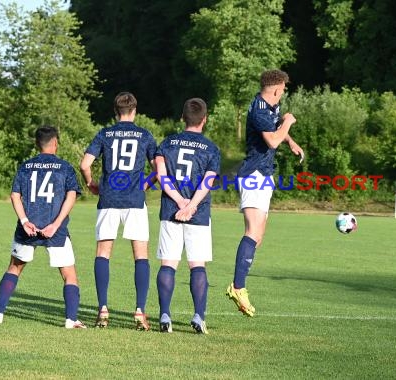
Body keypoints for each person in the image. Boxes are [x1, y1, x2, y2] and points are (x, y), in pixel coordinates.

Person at [0, 126, 86, 329]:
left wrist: (24, 221)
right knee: (69, 275)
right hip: (55, 230)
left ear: (36, 144)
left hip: (28, 228)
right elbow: (71, 196)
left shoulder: (25, 166)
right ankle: (71, 319)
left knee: (14, 268)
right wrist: (55, 225)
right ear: (56, 143)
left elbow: (15, 195)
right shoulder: (65, 167)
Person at [226, 69, 304, 316]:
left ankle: (239, 284)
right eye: (283, 89)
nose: (283, 93)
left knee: (258, 235)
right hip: (253, 174)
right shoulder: (259, 108)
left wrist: (290, 140)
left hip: (264, 173)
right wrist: (289, 123)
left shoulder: (271, 107)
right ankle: (238, 287)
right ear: (276, 89)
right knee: (252, 231)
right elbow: (271, 140)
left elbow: (276, 130)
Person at [80, 92, 157, 330]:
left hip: (109, 197)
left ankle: (103, 309)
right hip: (134, 199)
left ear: (116, 112)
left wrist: (92, 184)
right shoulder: (144, 135)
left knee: (103, 252)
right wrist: (147, 183)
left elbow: (84, 164)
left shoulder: (105, 133)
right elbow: (158, 168)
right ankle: (140, 311)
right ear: (134, 111)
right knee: (140, 255)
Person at [154, 98, 220, 334]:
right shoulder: (211, 148)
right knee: (197, 265)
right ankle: (199, 316)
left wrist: (180, 201)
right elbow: (208, 182)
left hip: (171, 210)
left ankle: (164, 315)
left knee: (168, 263)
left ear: (182, 118)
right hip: (198, 214)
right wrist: (191, 205)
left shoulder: (167, 144)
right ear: (205, 119)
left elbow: (162, 176)